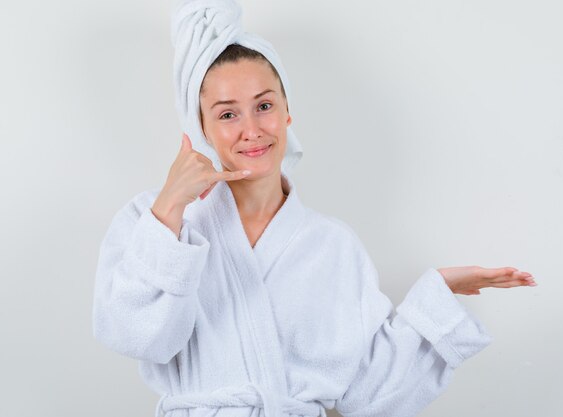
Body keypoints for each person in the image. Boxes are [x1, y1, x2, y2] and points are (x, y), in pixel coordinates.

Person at [92, 2, 536, 417]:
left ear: (287, 113)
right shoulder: (153, 221)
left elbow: (370, 391)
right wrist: (170, 206)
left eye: (264, 106)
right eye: (227, 114)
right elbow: (139, 337)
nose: (251, 130)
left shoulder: (332, 245)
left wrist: (435, 295)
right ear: (200, 125)